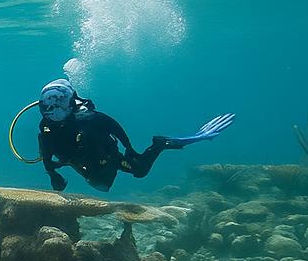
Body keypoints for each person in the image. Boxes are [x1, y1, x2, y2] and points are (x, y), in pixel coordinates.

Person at [37, 78, 233, 192]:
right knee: (99, 183)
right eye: (48, 105)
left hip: (107, 157)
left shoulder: (89, 118)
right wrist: (53, 174)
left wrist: (129, 148)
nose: (54, 111)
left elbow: (115, 127)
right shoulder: (46, 128)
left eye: (60, 103)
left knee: (139, 171)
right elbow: (46, 154)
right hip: (82, 162)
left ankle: (162, 143)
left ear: (71, 102)